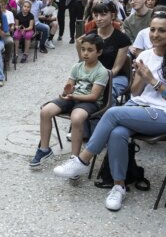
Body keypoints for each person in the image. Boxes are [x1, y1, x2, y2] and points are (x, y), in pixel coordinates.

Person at [54, 11, 166, 211]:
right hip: (141, 108)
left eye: (162, 30)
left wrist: (154, 82)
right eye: (153, 29)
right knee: (117, 132)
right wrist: (139, 76)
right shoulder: (146, 55)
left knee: (112, 113)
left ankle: (83, 159)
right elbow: (136, 92)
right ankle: (118, 186)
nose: (155, 34)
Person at [30, 34, 109, 168]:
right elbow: (69, 86)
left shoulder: (101, 71)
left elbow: (94, 96)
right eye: (83, 49)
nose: (85, 53)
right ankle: (44, 149)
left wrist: (74, 97)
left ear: (99, 52)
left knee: (76, 118)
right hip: (74, 98)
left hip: (89, 102)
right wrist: (66, 93)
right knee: (46, 111)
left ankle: (75, 159)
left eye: (90, 50)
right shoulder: (77, 67)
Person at [89, 2, 131, 100]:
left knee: (106, 94)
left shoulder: (122, 38)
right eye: (96, 15)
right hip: (92, 76)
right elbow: (85, 62)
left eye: (103, 15)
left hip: (114, 77)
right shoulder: (91, 36)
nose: (99, 19)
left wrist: (100, 80)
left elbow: (116, 68)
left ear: (112, 15)